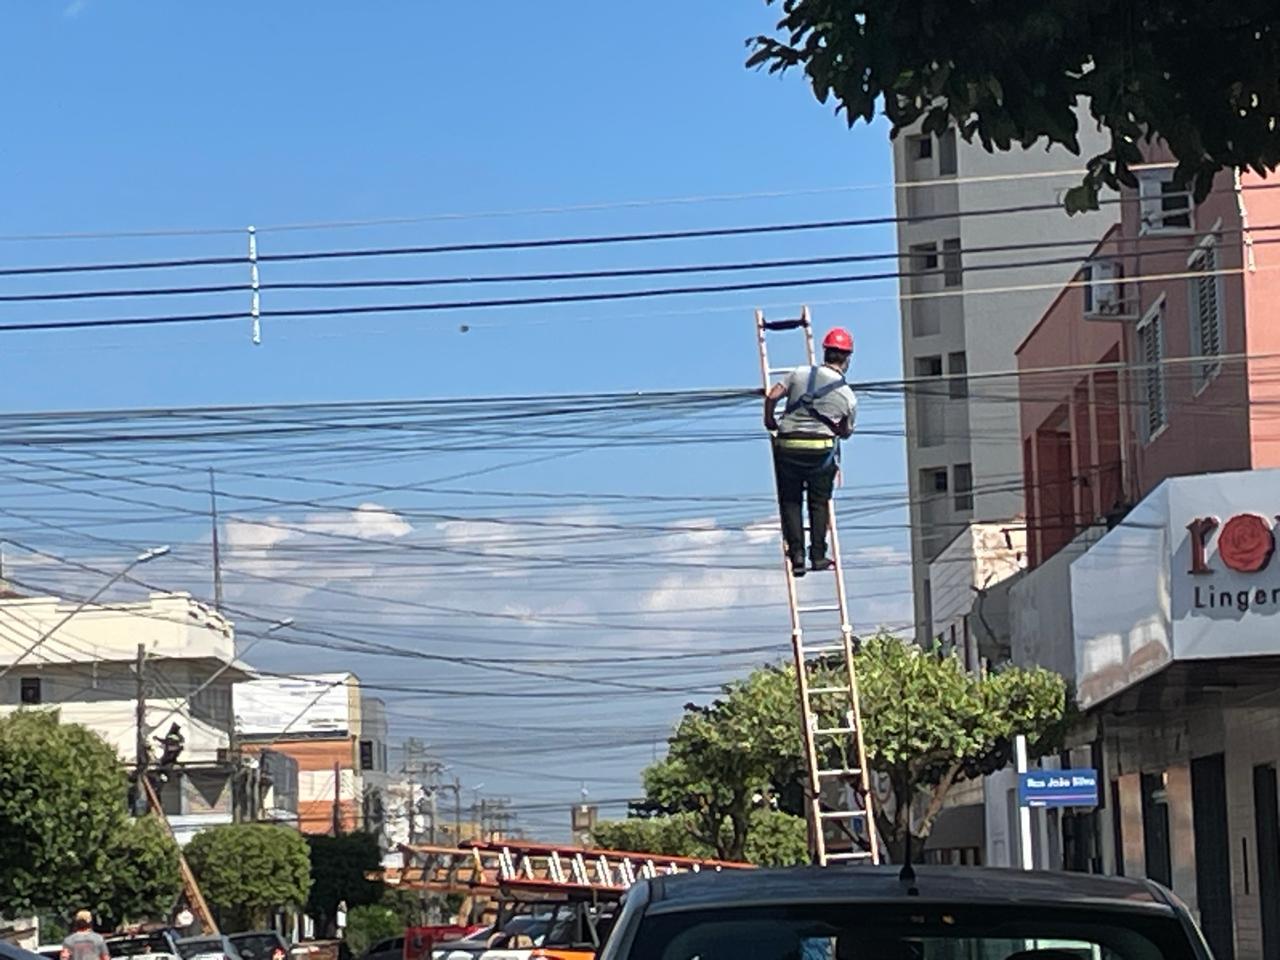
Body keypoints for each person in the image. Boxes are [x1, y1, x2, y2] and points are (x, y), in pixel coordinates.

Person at [763, 327, 856, 577]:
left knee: (791, 501)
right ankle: (817, 556)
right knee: (818, 503)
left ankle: (797, 556)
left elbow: (772, 395)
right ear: (847, 359)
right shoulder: (847, 396)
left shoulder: (799, 373)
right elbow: (846, 432)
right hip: (820, 454)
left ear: (825, 352)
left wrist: (769, 419)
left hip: (788, 447)